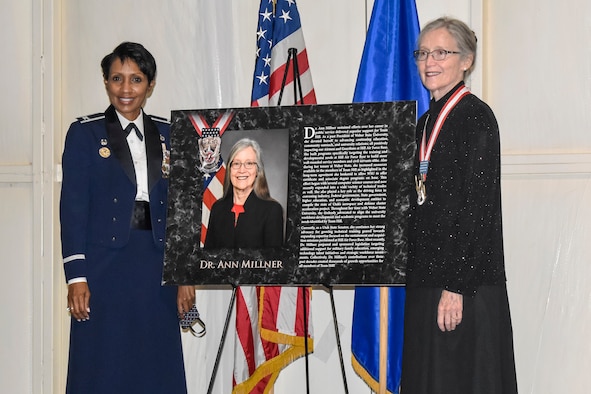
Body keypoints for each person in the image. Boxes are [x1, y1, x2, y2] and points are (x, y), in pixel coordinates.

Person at [60, 42, 194, 393]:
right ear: (106, 81)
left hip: (156, 264)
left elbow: (182, 208)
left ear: (149, 85)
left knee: (155, 362)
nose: (125, 89)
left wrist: (184, 274)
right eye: (117, 78)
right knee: (102, 362)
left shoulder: (170, 133)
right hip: (104, 267)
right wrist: (76, 276)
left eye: (136, 79)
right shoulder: (84, 134)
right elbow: (72, 209)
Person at [401, 17, 518, 393]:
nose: (429, 62)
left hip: (464, 287)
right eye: (422, 53)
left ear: (466, 60)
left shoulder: (476, 118)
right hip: (425, 281)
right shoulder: (421, 124)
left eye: (441, 53)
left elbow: (478, 210)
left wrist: (455, 287)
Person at [204, 138, 284, 249]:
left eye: (249, 163)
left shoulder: (272, 210)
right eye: (236, 163)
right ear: (230, 169)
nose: (242, 170)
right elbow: (207, 257)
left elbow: (273, 261)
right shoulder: (217, 208)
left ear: (258, 171)